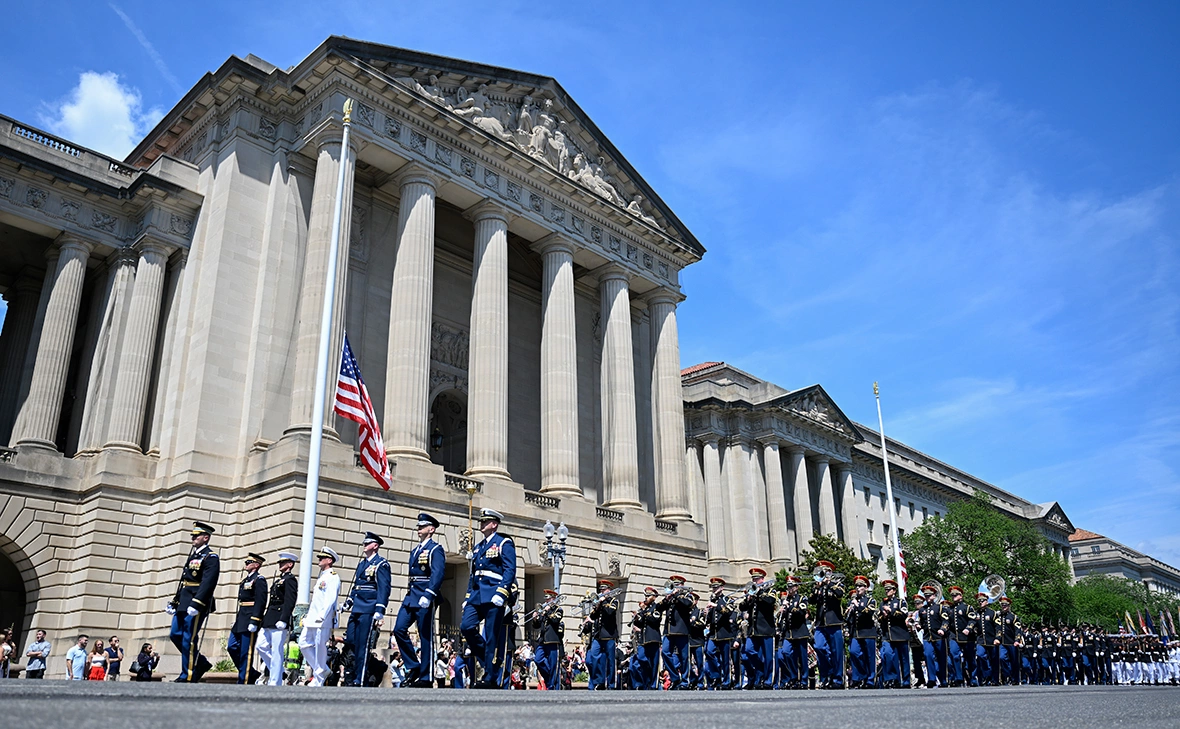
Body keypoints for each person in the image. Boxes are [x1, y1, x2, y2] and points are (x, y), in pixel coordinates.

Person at [460, 508, 516, 689]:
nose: (482, 524)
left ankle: (490, 677)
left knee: (491, 636)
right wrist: (467, 596)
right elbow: (473, 574)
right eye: (481, 521)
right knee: (466, 627)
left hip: (494, 594)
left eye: (485, 521)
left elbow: (509, 570)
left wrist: (502, 593)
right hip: (476, 595)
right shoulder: (479, 547)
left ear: (494, 524)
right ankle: (489, 663)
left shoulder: (503, 542)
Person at [394, 512, 445, 688]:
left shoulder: (435, 549)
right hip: (411, 596)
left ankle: (426, 677)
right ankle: (413, 666)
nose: (419, 528)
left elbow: (437, 574)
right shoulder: (415, 550)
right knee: (399, 629)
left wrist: (429, 594)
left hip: (425, 596)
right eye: (418, 526)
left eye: (422, 526)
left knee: (425, 637)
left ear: (431, 529)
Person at [167, 520, 220, 682]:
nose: (193, 538)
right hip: (184, 601)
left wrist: (197, 603)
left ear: (206, 537)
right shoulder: (194, 556)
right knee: (175, 634)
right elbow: (184, 580)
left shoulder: (211, 557)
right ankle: (201, 662)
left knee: (188, 638)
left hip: (197, 603)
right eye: (193, 535)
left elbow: (208, 582)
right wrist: (175, 601)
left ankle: (187, 674)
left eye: (196, 536)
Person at [343, 531, 392, 686]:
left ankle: (360, 676)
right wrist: (349, 601)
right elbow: (356, 585)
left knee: (363, 644)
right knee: (351, 639)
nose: (364, 545)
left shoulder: (381, 564)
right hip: (357, 607)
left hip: (369, 607)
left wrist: (380, 610)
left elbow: (384, 588)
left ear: (375, 546)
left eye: (367, 543)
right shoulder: (362, 564)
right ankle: (364, 667)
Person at [299, 546, 341, 686]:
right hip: (312, 618)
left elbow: (330, 599)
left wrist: (323, 615)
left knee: (320, 646)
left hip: (323, 619)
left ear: (329, 560)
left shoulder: (332, 577)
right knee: (303, 644)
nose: (319, 559)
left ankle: (319, 678)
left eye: (322, 558)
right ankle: (323, 669)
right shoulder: (322, 576)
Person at [257, 551, 298, 685]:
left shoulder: (290, 580)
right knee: (261, 646)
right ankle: (279, 670)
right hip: (270, 618)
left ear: (290, 564)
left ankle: (275, 680)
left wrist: (284, 618)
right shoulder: (279, 579)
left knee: (277, 650)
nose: (280, 564)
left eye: (283, 562)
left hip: (280, 618)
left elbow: (290, 600)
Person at [228, 552, 267, 684]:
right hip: (241, 619)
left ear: (256, 565)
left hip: (250, 618)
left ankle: (243, 680)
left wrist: (255, 619)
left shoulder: (259, 580)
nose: (246, 564)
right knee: (231, 646)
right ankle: (251, 673)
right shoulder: (246, 580)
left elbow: (260, 601)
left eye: (248, 562)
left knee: (246, 651)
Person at [809, 561, 845, 689]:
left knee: (837, 652)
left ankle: (838, 679)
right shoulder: (819, 586)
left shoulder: (837, 584)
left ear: (830, 572)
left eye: (825, 571)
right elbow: (811, 601)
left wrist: (829, 583)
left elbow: (840, 594)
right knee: (819, 647)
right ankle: (826, 676)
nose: (823, 574)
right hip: (820, 623)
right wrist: (817, 588)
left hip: (834, 622)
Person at [740, 567, 776, 690]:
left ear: (762, 579)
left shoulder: (770, 590)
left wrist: (759, 592)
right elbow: (741, 607)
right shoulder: (752, 593)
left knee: (768, 657)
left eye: (757, 579)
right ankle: (761, 669)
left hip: (766, 629)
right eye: (753, 579)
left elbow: (771, 601)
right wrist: (748, 598)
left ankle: (767, 681)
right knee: (748, 650)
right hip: (753, 630)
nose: (755, 581)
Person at [660, 574, 694, 689]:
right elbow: (659, 608)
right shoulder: (670, 597)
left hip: (681, 631)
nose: (674, 587)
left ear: (682, 585)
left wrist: (677, 595)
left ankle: (685, 681)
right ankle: (675, 677)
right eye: (673, 584)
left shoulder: (687, 595)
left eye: (677, 584)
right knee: (665, 652)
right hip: (669, 632)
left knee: (684, 658)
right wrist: (667, 599)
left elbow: (688, 604)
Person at [585, 578, 620, 690]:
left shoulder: (614, 601)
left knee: (611, 661)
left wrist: (603, 601)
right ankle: (599, 682)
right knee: (594, 657)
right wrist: (598, 605)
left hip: (609, 635)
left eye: (604, 590)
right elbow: (593, 616)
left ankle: (611, 684)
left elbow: (610, 612)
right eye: (601, 590)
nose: (601, 592)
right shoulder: (600, 603)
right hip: (598, 635)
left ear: (609, 590)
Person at [846, 576, 879, 689]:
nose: (858, 588)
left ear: (865, 588)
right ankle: (859, 677)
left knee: (870, 656)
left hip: (868, 631)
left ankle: (870, 680)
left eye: (860, 586)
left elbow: (868, 612)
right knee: (854, 652)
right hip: (855, 632)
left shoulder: (871, 600)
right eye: (856, 586)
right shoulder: (852, 601)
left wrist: (857, 605)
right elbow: (849, 619)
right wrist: (849, 612)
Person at [877, 579, 911, 689]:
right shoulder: (883, 603)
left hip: (900, 634)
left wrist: (891, 611)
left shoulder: (901, 602)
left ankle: (906, 681)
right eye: (886, 589)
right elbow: (879, 618)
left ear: (894, 590)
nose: (887, 591)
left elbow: (904, 614)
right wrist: (884, 616)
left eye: (889, 589)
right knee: (888, 655)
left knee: (904, 659)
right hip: (888, 635)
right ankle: (893, 679)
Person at [705, 578, 736, 689]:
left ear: (722, 587)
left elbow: (728, 612)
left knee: (725, 659)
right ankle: (716, 675)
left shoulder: (728, 599)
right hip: (713, 633)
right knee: (709, 651)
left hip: (724, 633)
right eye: (713, 587)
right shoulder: (712, 599)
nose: (714, 589)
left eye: (716, 587)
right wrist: (707, 613)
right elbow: (709, 619)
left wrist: (715, 606)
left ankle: (726, 681)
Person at [630, 586, 664, 690]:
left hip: (653, 638)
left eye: (648, 596)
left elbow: (655, 620)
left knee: (654, 664)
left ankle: (653, 685)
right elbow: (640, 623)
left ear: (654, 597)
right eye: (645, 596)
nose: (646, 598)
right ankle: (646, 682)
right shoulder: (644, 609)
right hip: (643, 640)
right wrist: (636, 617)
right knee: (641, 659)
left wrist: (644, 612)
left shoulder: (657, 607)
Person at [533, 588, 564, 691]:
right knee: (538, 659)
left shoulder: (558, 609)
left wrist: (547, 612)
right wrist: (535, 618)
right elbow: (537, 626)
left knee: (553, 665)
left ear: (553, 599)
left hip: (552, 640)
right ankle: (548, 679)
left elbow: (555, 620)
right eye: (545, 599)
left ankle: (553, 686)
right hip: (542, 641)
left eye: (548, 599)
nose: (546, 601)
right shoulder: (543, 611)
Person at [918, 585, 948, 687]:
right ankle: (931, 679)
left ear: (934, 596)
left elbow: (945, 620)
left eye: (929, 595)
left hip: (938, 636)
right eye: (926, 596)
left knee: (941, 658)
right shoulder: (922, 610)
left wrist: (943, 629)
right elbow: (922, 623)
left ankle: (943, 679)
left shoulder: (939, 608)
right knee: (928, 655)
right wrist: (918, 626)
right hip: (927, 637)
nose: (927, 598)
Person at [970, 591, 997, 686]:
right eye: (979, 601)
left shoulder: (992, 613)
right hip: (981, 640)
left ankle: (995, 679)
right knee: (980, 655)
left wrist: (997, 638)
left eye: (983, 601)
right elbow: (972, 623)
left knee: (994, 660)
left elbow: (998, 627)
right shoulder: (976, 613)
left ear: (987, 601)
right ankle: (987, 674)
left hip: (991, 639)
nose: (981, 602)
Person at [995, 596, 1022, 684]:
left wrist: (1017, 640)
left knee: (1014, 661)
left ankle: (1015, 679)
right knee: (1002, 658)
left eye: (1005, 605)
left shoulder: (1013, 617)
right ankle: (1008, 674)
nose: (1004, 607)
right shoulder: (998, 616)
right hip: (1002, 642)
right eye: (1002, 605)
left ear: (1009, 606)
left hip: (1011, 642)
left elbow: (1018, 630)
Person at [688, 593, 707, 689]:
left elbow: (702, 624)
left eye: (692, 599)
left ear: (696, 601)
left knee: (699, 663)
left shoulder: (699, 612)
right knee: (686, 663)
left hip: (698, 641)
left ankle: (700, 682)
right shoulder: (686, 611)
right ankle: (693, 679)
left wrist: (692, 622)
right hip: (688, 641)